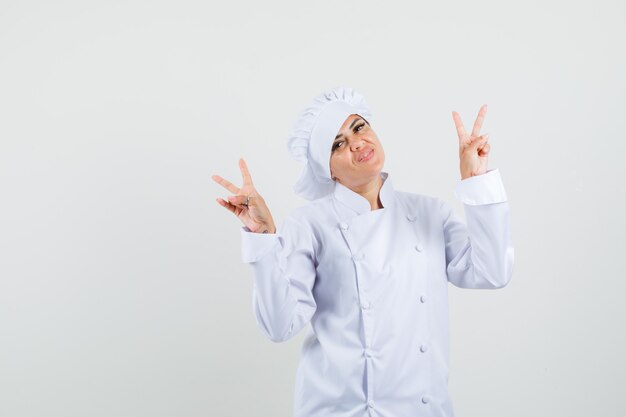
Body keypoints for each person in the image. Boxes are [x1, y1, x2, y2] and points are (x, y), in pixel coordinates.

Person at [212, 87, 514, 417]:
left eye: (358, 127)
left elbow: (492, 272)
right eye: (337, 144)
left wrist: (476, 181)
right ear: (327, 170)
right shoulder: (310, 223)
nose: (356, 142)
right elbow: (279, 326)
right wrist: (263, 239)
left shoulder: (429, 212)